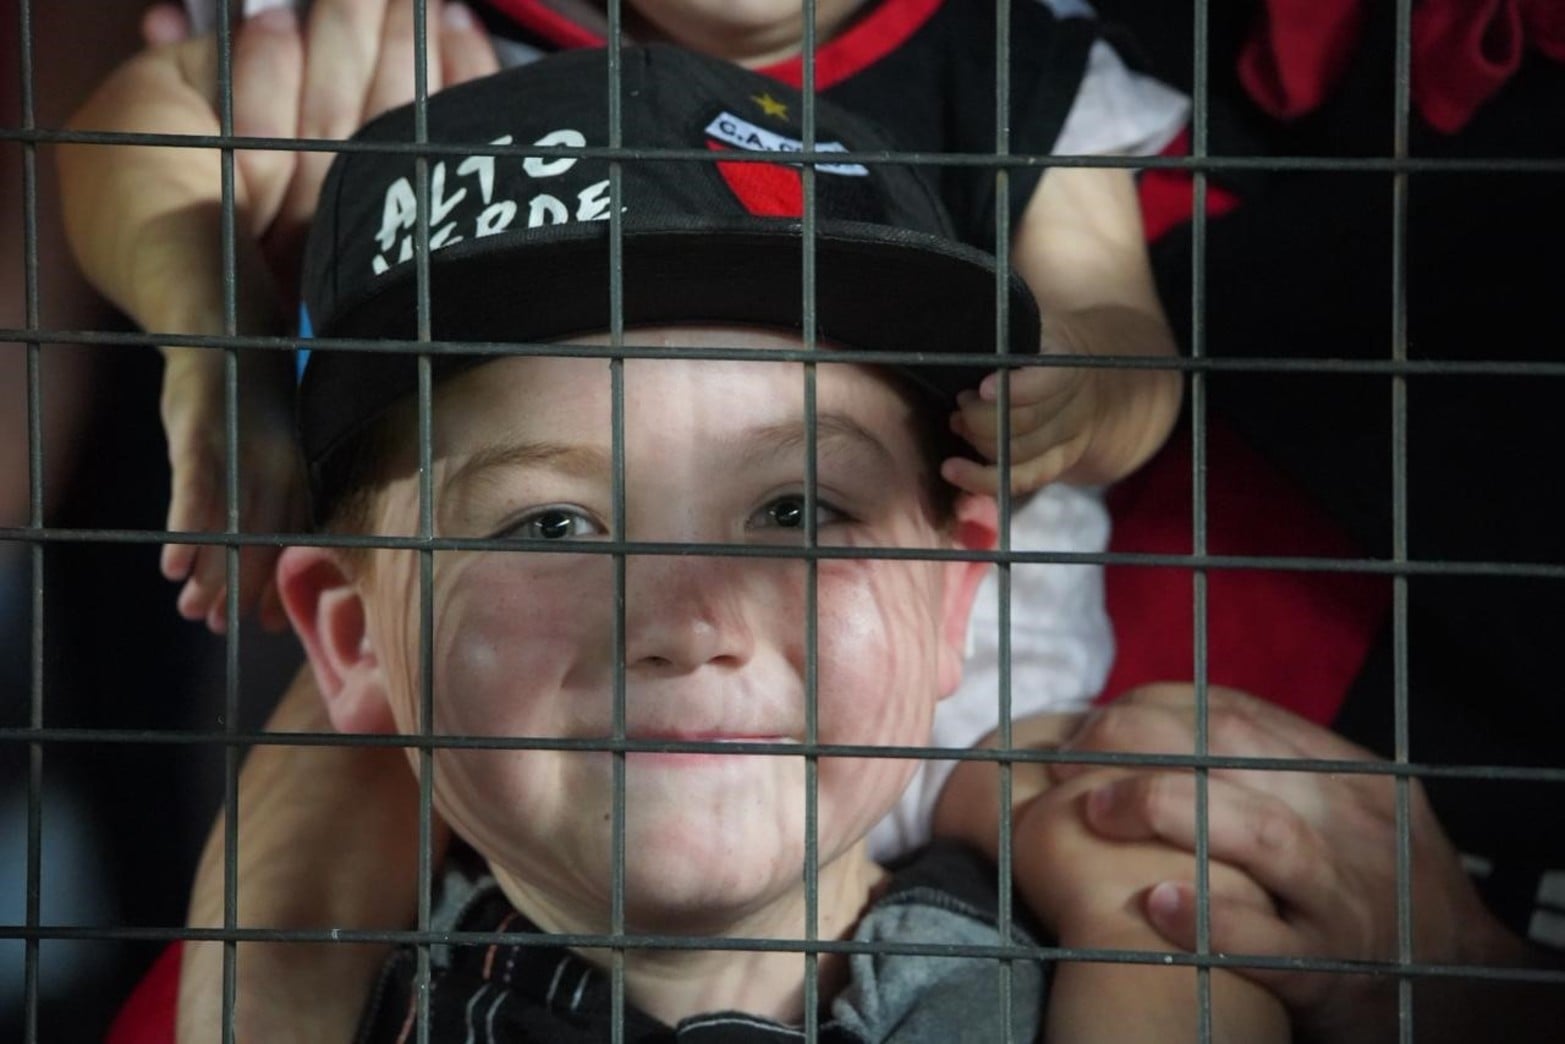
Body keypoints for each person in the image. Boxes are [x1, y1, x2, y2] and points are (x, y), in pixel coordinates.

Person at [198, 48, 1288, 1041]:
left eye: (796, 511)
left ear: (956, 596)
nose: (689, 625)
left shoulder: (1122, 939)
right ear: (352, 646)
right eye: (553, 526)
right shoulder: (308, 992)